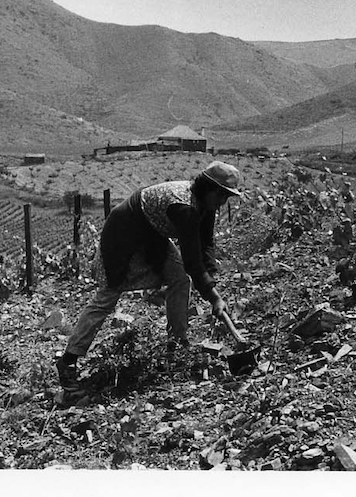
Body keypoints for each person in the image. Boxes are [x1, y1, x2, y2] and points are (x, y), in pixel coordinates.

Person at [56, 161, 242, 400]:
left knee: (179, 278)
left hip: (152, 233)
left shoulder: (205, 205)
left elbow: (205, 244)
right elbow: (193, 261)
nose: (222, 203)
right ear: (209, 189)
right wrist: (213, 296)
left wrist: (212, 279)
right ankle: (68, 361)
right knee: (108, 295)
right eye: (222, 196)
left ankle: (176, 346)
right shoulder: (184, 207)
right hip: (123, 232)